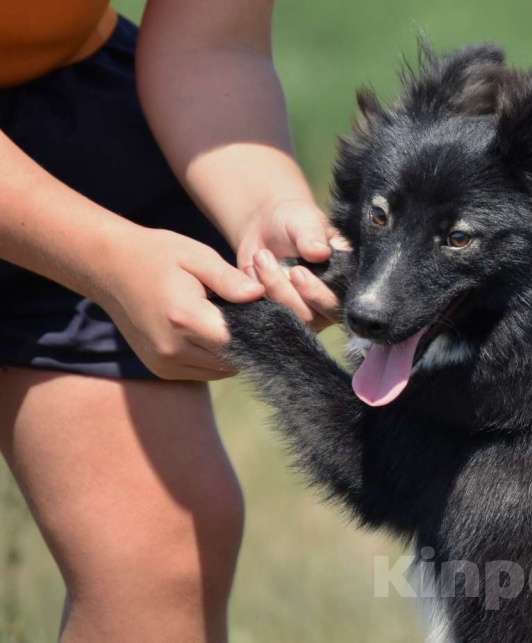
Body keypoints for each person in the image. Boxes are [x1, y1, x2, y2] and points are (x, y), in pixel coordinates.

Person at [0, 1, 343, 640]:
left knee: (163, 552)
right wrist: (106, 259)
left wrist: (266, 207)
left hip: (66, 104)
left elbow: (211, 42)